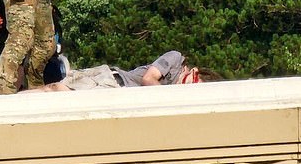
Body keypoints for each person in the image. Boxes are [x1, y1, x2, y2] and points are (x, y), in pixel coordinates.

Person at [29, 50, 222, 92]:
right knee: (55, 90)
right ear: (193, 71)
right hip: (112, 81)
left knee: (54, 91)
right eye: (195, 81)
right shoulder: (175, 59)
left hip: (114, 91)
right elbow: (148, 79)